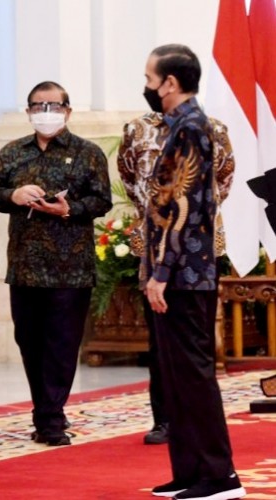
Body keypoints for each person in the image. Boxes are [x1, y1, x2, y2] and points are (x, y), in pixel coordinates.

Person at [141, 44, 245, 500]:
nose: (145, 85)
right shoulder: (179, 126)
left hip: (185, 274)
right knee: (175, 377)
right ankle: (189, 472)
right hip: (176, 272)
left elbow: (183, 206)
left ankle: (219, 476)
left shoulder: (190, 127)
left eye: (150, 78)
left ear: (170, 82)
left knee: (193, 377)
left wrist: (161, 270)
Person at [0, 81, 112, 447]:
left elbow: (101, 200)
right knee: (29, 340)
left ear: (68, 110)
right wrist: (14, 194)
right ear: (27, 112)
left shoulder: (88, 153)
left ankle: (51, 417)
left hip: (71, 268)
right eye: (38, 106)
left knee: (62, 343)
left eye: (53, 105)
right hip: (25, 265)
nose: (45, 112)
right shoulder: (12, 153)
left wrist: (69, 209)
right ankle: (45, 410)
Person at [117, 112, 234, 445]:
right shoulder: (136, 130)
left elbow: (224, 177)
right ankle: (165, 419)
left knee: (198, 338)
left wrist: (192, 219)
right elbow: (128, 178)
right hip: (155, 246)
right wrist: (155, 213)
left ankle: (199, 420)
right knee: (161, 340)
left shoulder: (214, 127)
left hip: (199, 252)